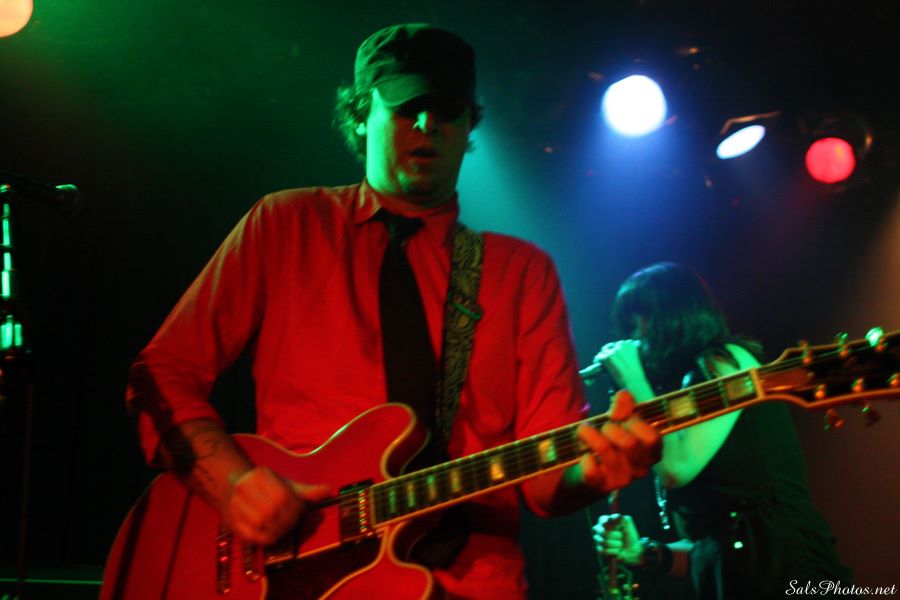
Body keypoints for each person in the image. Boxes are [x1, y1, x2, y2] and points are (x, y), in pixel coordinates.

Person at [125, 23, 659, 598]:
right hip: (294, 576)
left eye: (447, 109)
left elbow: (546, 482)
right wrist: (233, 485)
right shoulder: (285, 225)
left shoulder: (521, 272)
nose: (428, 125)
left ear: (469, 126)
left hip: (470, 582)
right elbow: (161, 374)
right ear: (361, 115)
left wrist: (595, 471)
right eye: (407, 107)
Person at [590, 262, 851, 599]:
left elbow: (677, 466)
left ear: (676, 315)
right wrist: (644, 552)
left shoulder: (728, 361)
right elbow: (712, 549)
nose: (634, 333)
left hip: (789, 570)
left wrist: (633, 381)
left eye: (642, 317)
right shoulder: (683, 397)